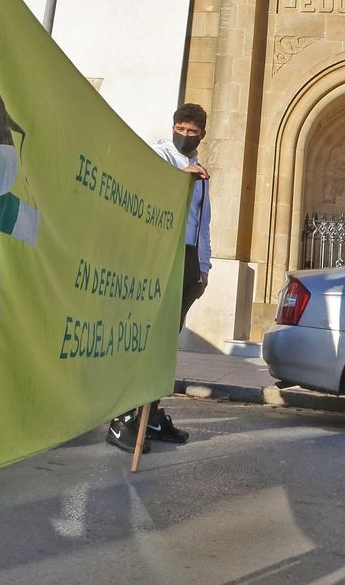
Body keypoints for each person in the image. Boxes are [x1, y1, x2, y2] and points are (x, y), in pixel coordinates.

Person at [107, 103, 212, 453]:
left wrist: (205, 268)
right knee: (146, 338)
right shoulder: (161, 155)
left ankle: (149, 414)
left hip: (188, 261)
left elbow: (202, 224)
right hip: (159, 255)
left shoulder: (201, 174)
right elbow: (152, 181)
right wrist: (185, 177)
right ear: (172, 128)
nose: (184, 136)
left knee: (166, 344)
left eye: (191, 132)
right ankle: (123, 417)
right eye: (180, 129)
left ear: (201, 134)